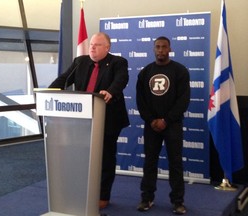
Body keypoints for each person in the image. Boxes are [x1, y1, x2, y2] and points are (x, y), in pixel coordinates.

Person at [49, 32, 130, 209]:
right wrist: (49, 91)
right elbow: (64, 78)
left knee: (105, 159)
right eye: (91, 44)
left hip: (108, 120)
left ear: (107, 48)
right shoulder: (80, 62)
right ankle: (81, 192)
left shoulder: (118, 62)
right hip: (82, 119)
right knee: (82, 158)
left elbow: (121, 80)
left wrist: (110, 91)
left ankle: (102, 195)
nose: (92, 47)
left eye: (97, 45)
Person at [136, 36, 190, 215]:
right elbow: (141, 101)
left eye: (164, 47)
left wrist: (166, 120)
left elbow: (183, 100)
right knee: (149, 162)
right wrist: (152, 120)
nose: (160, 50)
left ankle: (177, 202)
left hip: (172, 125)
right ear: (153, 49)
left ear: (170, 49)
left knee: (175, 163)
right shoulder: (145, 73)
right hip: (151, 126)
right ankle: (147, 198)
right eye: (157, 47)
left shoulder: (180, 71)